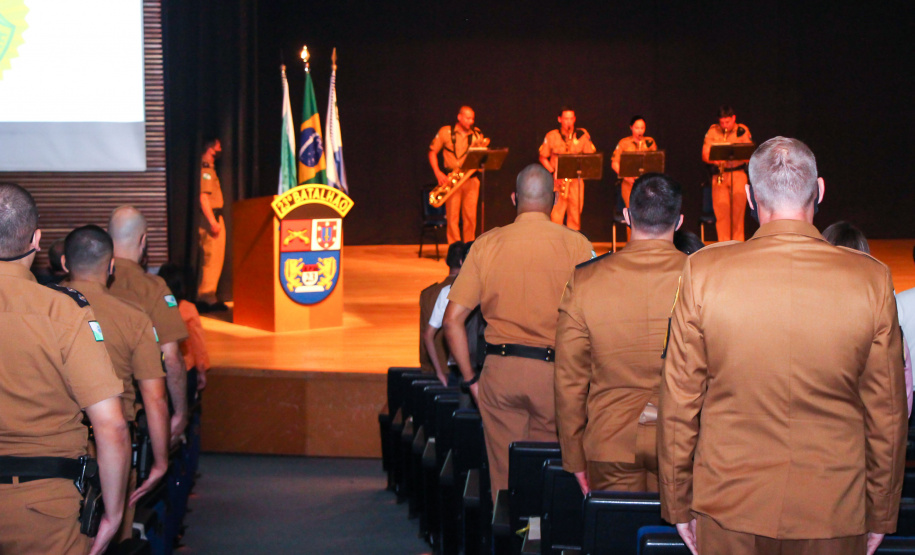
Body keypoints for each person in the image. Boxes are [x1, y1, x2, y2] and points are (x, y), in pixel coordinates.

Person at [659, 137, 907, 555]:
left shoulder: (704, 271)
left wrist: (677, 501)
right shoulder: (872, 279)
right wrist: (881, 510)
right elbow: (887, 414)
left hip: (727, 505)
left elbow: (679, 401)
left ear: (750, 197)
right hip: (833, 507)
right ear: (820, 190)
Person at [443, 164, 594, 499]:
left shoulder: (485, 245)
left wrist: (470, 380)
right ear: (555, 200)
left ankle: (509, 537)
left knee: (504, 479)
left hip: (501, 372)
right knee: (551, 475)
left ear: (514, 198)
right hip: (557, 376)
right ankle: (542, 538)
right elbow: (596, 319)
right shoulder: (578, 246)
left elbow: (452, 320)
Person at [0, 183, 129, 555]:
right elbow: (111, 424)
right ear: (37, 240)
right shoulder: (63, 311)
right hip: (44, 509)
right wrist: (114, 514)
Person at [555, 173, 685, 496]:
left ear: (627, 217)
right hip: (682, 443)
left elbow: (569, 381)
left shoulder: (585, 282)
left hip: (609, 441)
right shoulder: (706, 279)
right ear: (679, 222)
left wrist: (574, 457)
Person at [61, 225, 170, 541]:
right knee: (112, 536)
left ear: (65, 263)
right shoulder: (133, 317)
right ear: (110, 267)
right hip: (114, 450)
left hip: (59, 447)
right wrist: (161, 463)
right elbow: (154, 397)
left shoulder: (43, 309)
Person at [108, 205, 189, 446]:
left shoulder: (77, 284)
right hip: (130, 414)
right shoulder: (153, 288)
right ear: (143, 240)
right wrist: (180, 413)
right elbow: (172, 358)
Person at [429, 107, 487, 244]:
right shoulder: (445, 132)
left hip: (471, 179)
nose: (471, 121)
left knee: (470, 217)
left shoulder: (477, 134)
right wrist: (438, 173)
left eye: (472, 118)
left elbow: (481, 155)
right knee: (453, 217)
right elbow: (432, 152)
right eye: (468, 118)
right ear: (459, 117)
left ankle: (469, 249)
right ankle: (454, 250)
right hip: (452, 179)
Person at [158, 262, 211, 399]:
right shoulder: (187, 309)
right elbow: (197, 343)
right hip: (186, 369)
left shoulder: (153, 308)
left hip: (160, 368)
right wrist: (202, 369)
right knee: (189, 409)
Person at [539, 107, 597, 230]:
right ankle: (555, 245)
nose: (569, 122)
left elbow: (591, 156)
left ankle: (573, 245)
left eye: (571, 119)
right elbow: (543, 157)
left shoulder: (582, 135)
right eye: (566, 119)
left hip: (576, 182)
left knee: (575, 217)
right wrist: (553, 172)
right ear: (559, 119)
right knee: (555, 217)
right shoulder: (552, 135)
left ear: (574, 119)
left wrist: (584, 139)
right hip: (557, 182)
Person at [702, 105, 753, 241]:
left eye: (728, 122)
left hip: (738, 174)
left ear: (734, 118)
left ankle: (738, 246)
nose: (724, 125)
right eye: (722, 122)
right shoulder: (713, 131)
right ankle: (723, 246)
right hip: (720, 174)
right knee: (721, 214)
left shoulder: (742, 131)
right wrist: (715, 159)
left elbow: (749, 155)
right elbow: (705, 154)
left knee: (738, 215)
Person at [421, 242, 464, 385]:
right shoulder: (464, 293)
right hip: (456, 370)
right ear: (463, 262)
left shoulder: (427, 294)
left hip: (432, 369)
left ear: (447, 262)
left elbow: (424, 336)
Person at [198, 138, 227, 312]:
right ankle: (206, 297)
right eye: (218, 145)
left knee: (214, 259)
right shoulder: (206, 168)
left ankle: (209, 296)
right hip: (211, 218)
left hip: (214, 217)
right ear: (210, 147)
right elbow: (204, 197)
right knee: (212, 259)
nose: (221, 148)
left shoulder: (210, 167)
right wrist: (212, 222)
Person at [611, 116, 658, 208]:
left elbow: (655, 162)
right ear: (631, 127)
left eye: (642, 128)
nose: (640, 131)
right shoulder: (624, 143)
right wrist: (626, 176)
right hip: (629, 183)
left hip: (646, 184)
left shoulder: (650, 142)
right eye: (637, 128)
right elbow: (614, 163)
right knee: (632, 211)